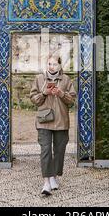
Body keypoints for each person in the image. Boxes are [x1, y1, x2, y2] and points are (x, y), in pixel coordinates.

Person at [29, 53, 77, 196]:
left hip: (61, 122)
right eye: (49, 64)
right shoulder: (39, 79)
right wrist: (44, 93)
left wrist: (61, 93)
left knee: (59, 150)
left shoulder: (67, 79)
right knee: (45, 151)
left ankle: (54, 176)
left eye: (54, 64)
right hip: (44, 121)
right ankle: (46, 182)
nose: (51, 66)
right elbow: (34, 99)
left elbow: (72, 100)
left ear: (60, 65)